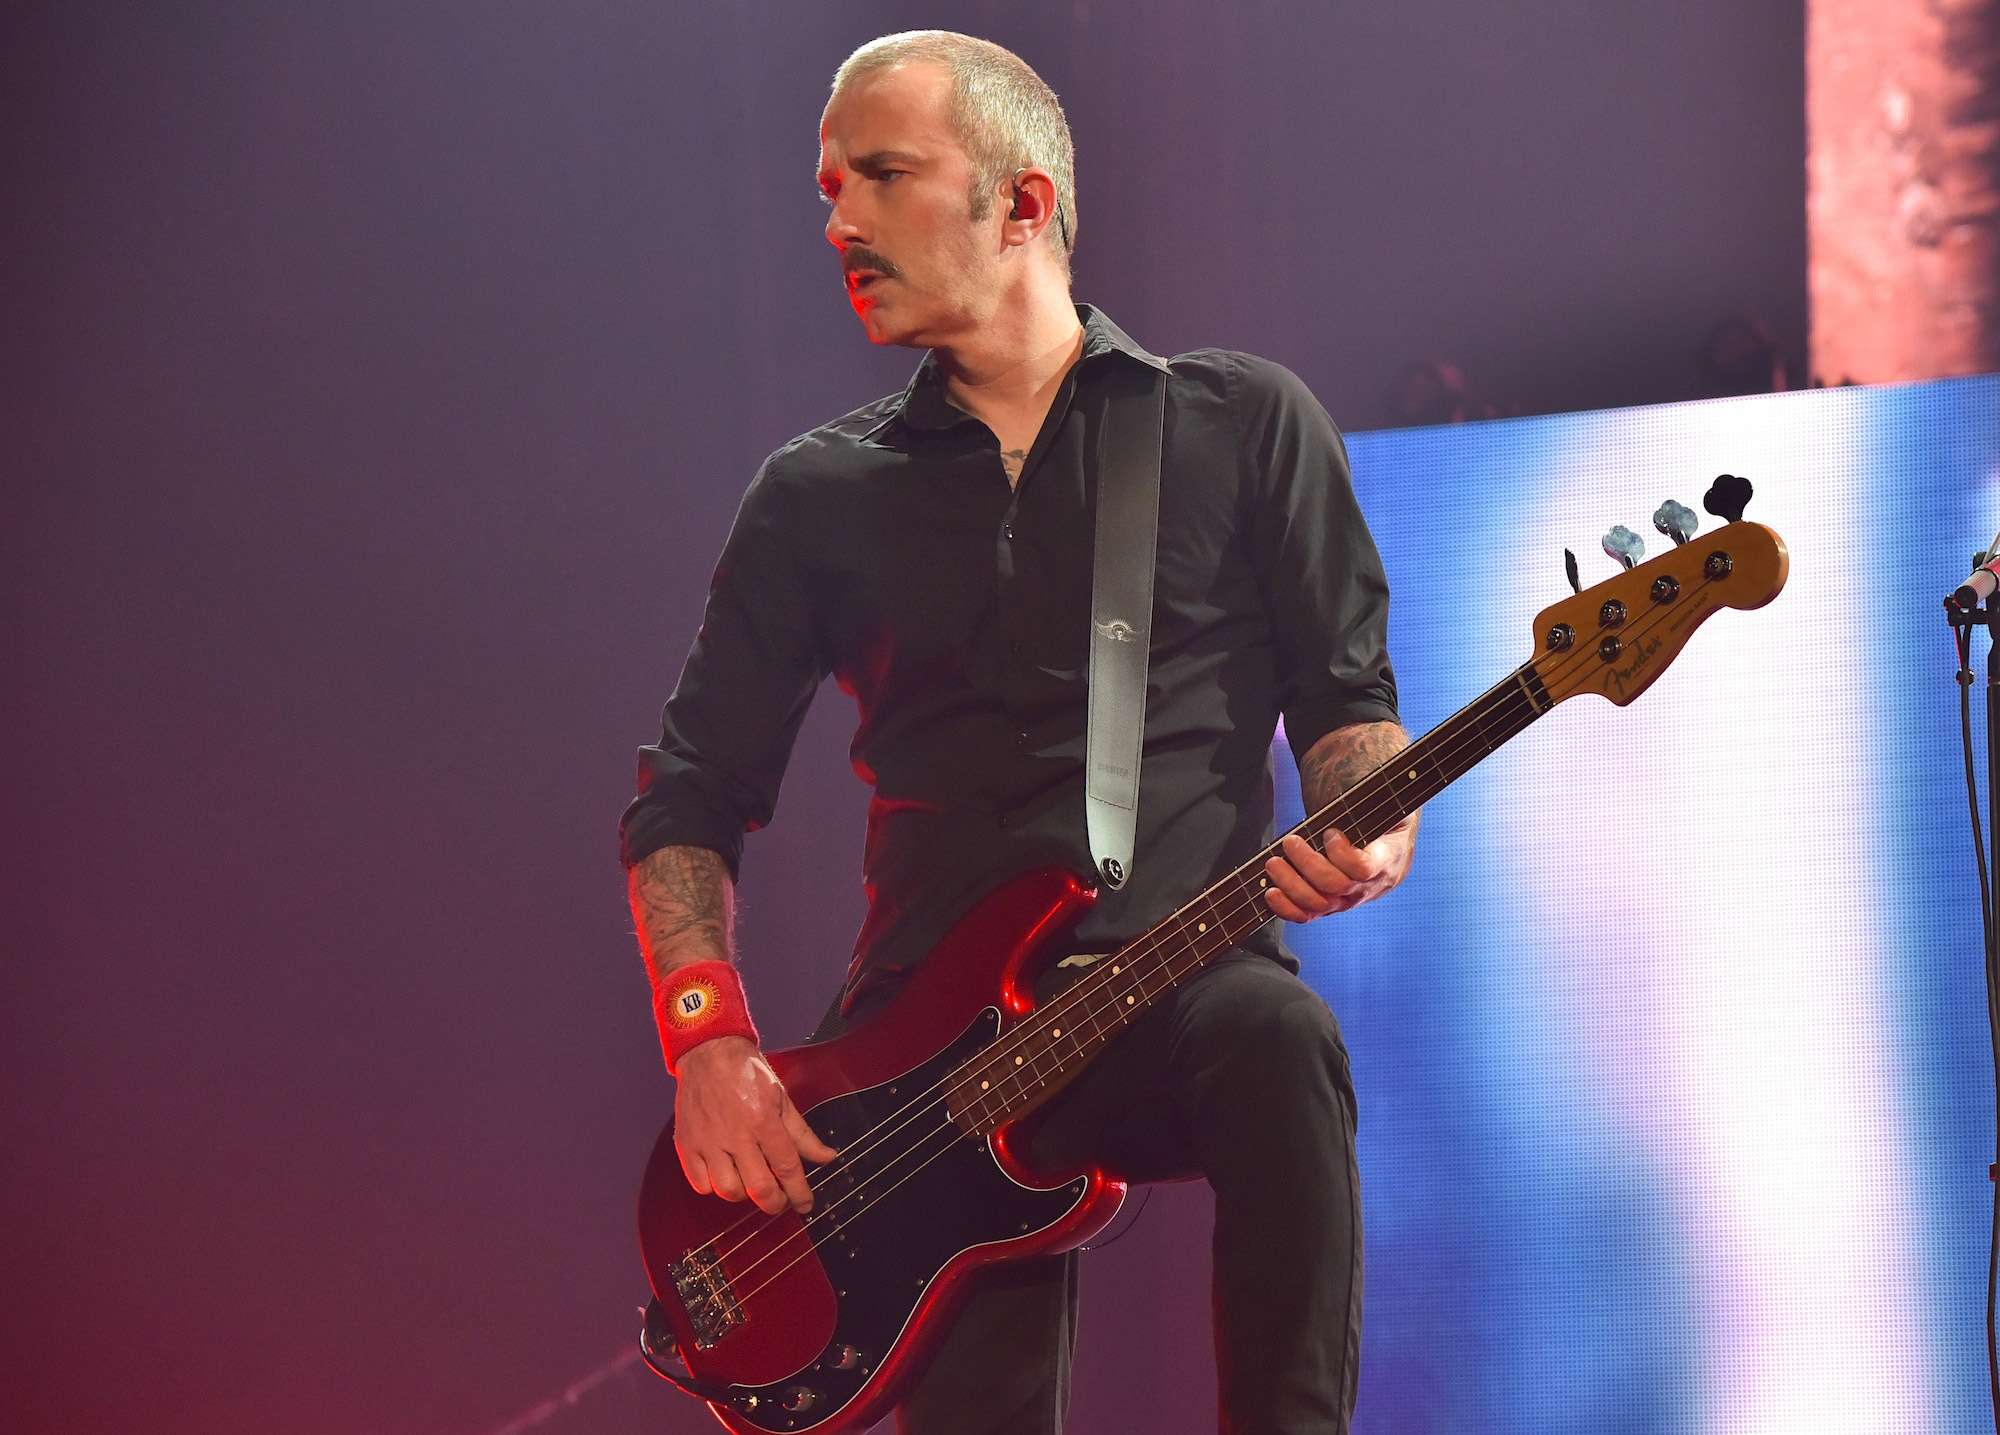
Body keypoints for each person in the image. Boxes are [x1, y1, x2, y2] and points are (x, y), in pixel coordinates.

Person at [620, 30, 1417, 1435]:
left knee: (1279, 1034)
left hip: (1172, 986)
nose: (839, 222)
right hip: (917, 1061)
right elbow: (688, 794)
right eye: (828, 189)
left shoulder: (1240, 422)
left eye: (882, 175)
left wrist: (1378, 821)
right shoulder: (816, 493)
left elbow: (1350, 715)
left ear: (1022, 202)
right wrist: (708, 1045)